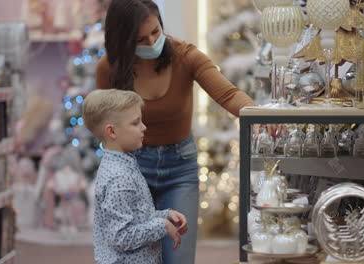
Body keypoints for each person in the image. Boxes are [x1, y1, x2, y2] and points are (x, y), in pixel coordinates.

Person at [95, 0, 255, 263]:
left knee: (178, 257)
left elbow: (228, 94)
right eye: (141, 40)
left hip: (180, 170)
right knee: (133, 256)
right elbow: (103, 124)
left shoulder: (185, 55)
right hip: (132, 171)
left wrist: (262, 117)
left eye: (156, 32)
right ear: (124, 40)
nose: (152, 42)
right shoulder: (109, 68)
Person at [82, 89, 188, 264]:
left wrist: (165, 215)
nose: (144, 127)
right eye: (135, 123)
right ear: (112, 132)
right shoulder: (118, 178)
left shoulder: (124, 164)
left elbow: (137, 217)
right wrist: (162, 225)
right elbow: (121, 237)